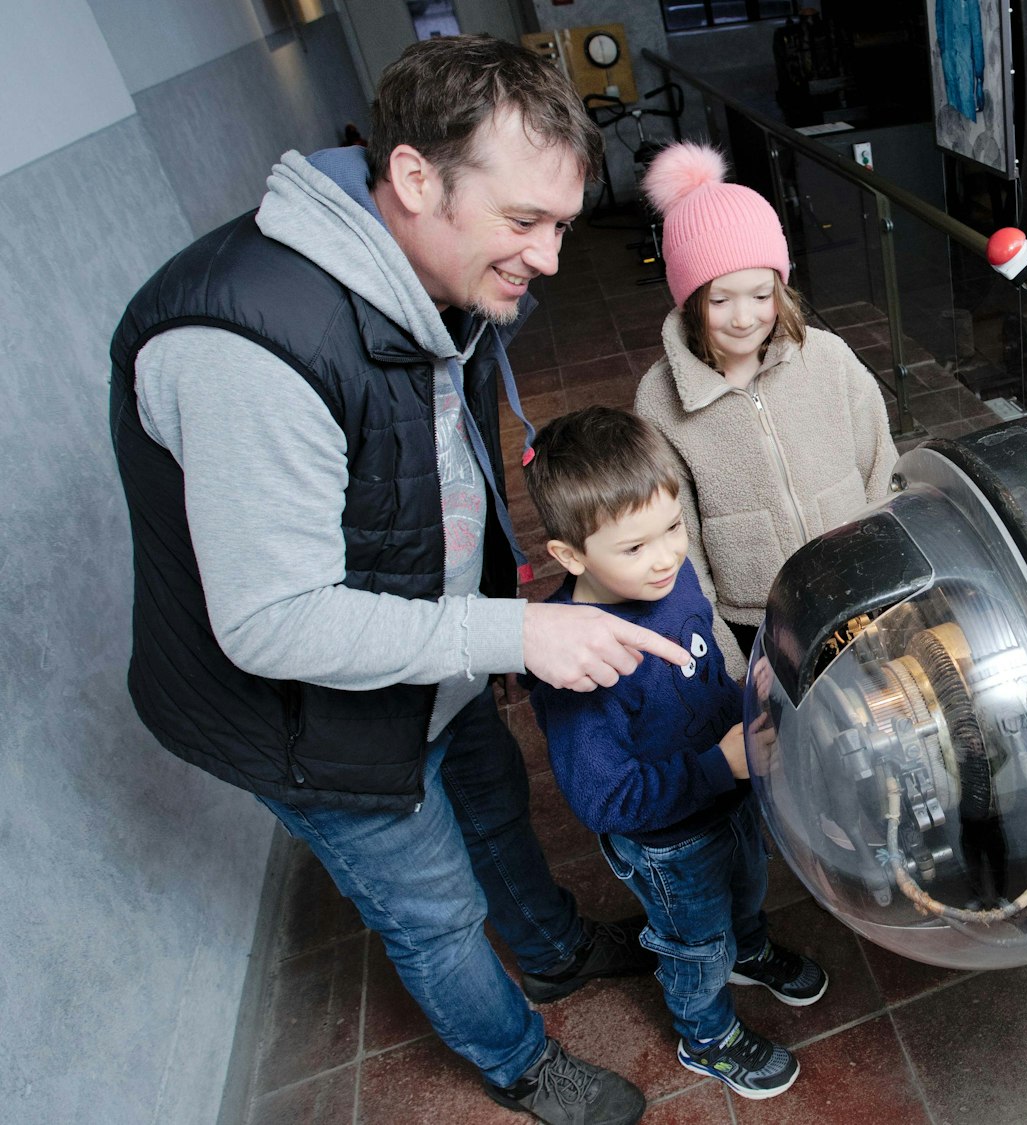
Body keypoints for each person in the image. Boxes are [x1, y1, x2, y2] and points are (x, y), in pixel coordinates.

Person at [108, 36, 685, 1125]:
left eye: (562, 223)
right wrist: (509, 635)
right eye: (525, 223)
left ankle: (554, 950)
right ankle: (519, 1060)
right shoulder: (248, 344)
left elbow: (428, 465)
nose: (552, 259)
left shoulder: (428, 271)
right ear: (415, 178)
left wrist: (487, 617)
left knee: (490, 797)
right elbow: (272, 625)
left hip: (429, 638)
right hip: (302, 709)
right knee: (432, 907)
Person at [521, 406, 828, 1101]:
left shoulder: (669, 576)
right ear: (571, 556)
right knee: (695, 940)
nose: (664, 556)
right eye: (634, 546)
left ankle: (749, 948)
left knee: (748, 882)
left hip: (728, 789)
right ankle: (705, 1032)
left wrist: (741, 717)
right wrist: (719, 763)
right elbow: (603, 799)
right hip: (668, 841)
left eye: (672, 527)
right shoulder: (574, 664)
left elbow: (698, 662)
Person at [632, 142, 897, 675]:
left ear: (780, 285)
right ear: (689, 301)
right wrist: (727, 662)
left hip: (860, 590)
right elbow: (677, 543)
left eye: (760, 294)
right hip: (757, 621)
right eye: (720, 299)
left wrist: (885, 577)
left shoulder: (827, 358)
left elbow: (882, 469)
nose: (744, 317)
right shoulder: (658, 400)